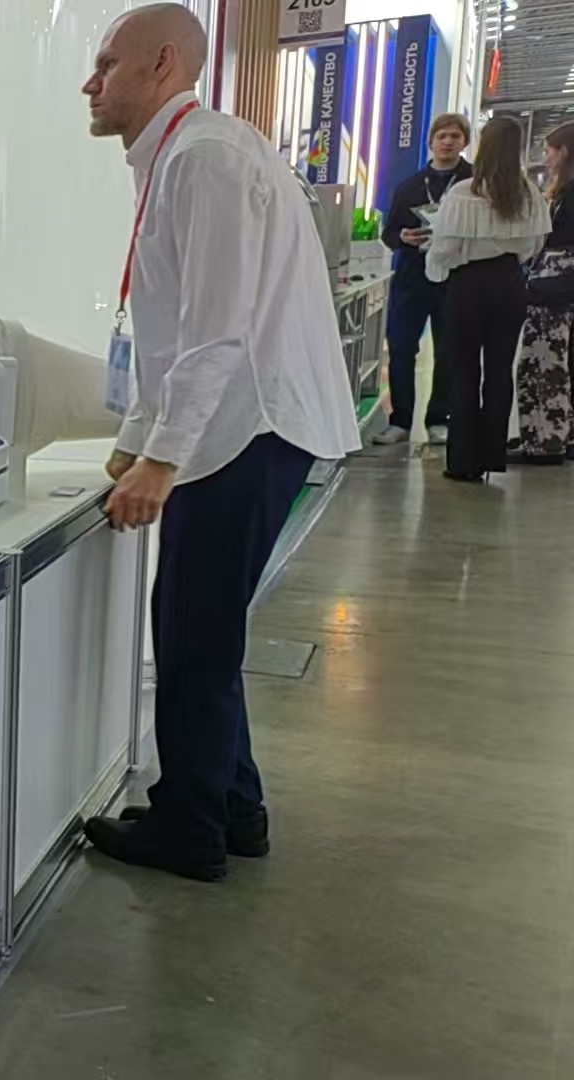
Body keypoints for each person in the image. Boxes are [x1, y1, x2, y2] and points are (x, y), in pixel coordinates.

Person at [77, 4, 361, 882]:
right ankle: (234, 807)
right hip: (242, 425)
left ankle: (190, 827)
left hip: (248, 427)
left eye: (107, 63)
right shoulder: (180, 156)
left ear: (163, 63)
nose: (90, 83)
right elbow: (170, 333)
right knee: (196, 625)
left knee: (194, 636)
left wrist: (160, 461)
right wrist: (136, 440)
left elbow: (216, 333)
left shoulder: (203, 159)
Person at [425, 117, 551, 482]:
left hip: (468, 286)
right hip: (509, 284)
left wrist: (439, 270)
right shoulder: (529, 194)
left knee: (463, 373)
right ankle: (493, 455)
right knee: (499, 372)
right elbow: (533, 246)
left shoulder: (464, 192)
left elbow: (444, 248)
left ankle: (463, 462)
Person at [375, 114, 474, 446]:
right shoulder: (411, 186)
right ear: (431, 141)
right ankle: (400, 420)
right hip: (412, 278)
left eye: (455, 136)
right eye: (442, 136)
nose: (447, 142)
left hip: (455, 278)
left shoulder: (475, 183)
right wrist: (403, 237)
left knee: (449, 350)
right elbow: (389, 233)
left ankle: (439, 419)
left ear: (464, 141)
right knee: (401, 348)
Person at [513, 122, 574, 465]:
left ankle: (544, 439)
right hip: (558, 289)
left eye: (549, 150)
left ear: (563, 152)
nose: (546, 157)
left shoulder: (567, 196)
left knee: (542, 363)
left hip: (552, 290)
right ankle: (560, 434)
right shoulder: (561, 193)